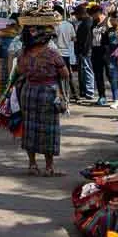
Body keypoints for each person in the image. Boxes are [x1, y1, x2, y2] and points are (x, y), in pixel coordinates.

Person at [15, 25, 69, 177]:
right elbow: (65, 74)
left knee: (30, 127)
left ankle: (32, 164)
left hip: (29, 92)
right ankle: (49, 167)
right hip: (48, 92)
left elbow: (19, 71)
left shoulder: (23, 54)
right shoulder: (52, 54)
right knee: (48, 129)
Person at [53, 3, 78, 101]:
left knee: (59, 76)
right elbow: (74, 38)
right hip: (67, 53)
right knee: (68, 74)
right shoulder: (69, 25)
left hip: (58, 53)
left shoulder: (55, 26)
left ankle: (63, 95)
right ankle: (74, 94)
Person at [90, 6, 110, 106]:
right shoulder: (93, 23)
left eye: (93, 13)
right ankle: (102, 96)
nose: (92, 16)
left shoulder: (108, 21)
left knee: (110, 73)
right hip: (96, 51)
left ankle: (116, 95)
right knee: (98, 75)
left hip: (106, 51)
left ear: (99, 12)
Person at [74, 4, 95, 101]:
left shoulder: (87, 23)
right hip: (85, 51)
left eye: (76, 14)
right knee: (86, 70)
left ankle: (90, 91)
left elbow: (87, 39)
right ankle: (87, 90)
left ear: (80, 14)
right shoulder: (87, 22)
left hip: (85, 51)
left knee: (87, 70)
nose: (75, 17)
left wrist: (84, 51)